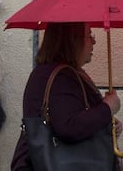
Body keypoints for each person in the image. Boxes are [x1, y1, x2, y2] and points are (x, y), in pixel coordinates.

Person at [11, 22, 122, 170]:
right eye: (89, 35)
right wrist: (107, 108)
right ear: (72, 40)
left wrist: (106, 122)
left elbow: (70, 117)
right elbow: (69, 127)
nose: (94, 41)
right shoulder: (60, 78)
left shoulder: (52, 73)